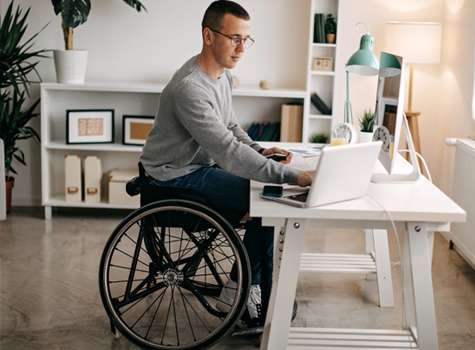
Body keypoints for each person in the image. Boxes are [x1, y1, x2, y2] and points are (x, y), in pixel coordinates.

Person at [140, 0, 313, 329]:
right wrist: (297, 176)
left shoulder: (222, 77)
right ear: (208, 35)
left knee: (267, 195)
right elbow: (228, 152)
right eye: (234, 37)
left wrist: (261, 151)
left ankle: (241, 288)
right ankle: (246, 293)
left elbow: (232, 130)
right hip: (173, 177)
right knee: (269, 198)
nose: (242, 47)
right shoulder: (190, 87)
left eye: (246, 39)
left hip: (199, 168)